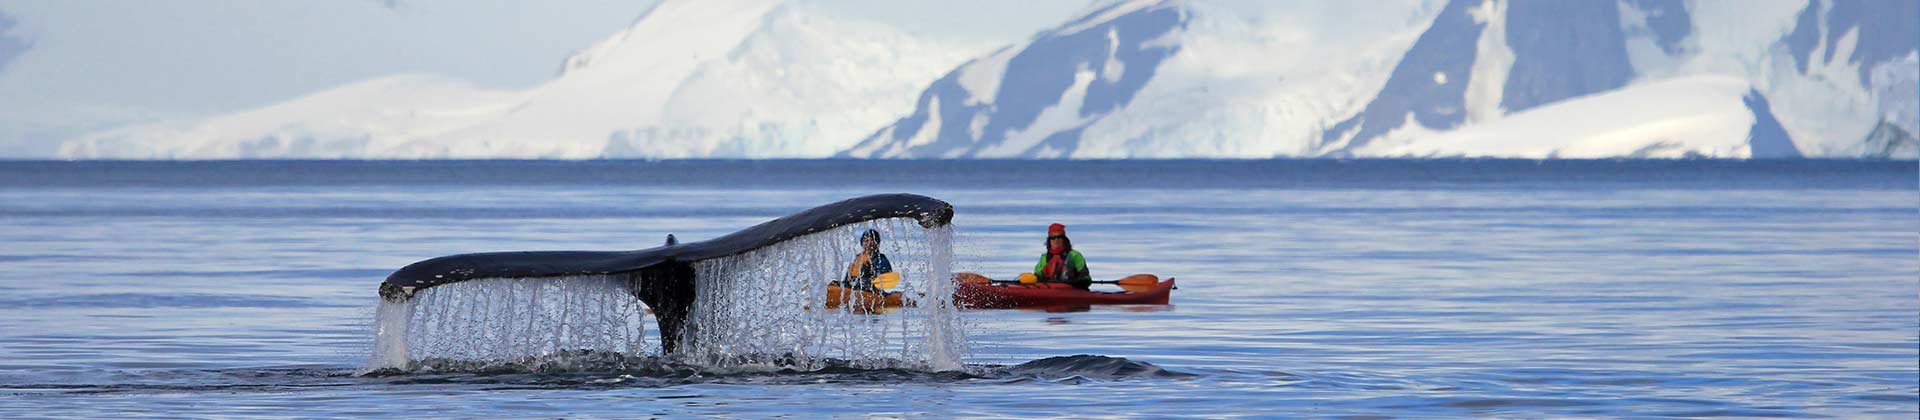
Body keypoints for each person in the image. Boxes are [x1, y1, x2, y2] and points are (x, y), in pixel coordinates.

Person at [1034, 223, 1092, 290]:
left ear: (1064, 239)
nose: (1056, 240)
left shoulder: (1075, 255)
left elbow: (1086, 277)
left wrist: (1079, 281)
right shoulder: (1044, 257)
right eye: (1053, 238)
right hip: (1049, 290)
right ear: (1049, 241)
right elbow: (1037, 276)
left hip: (1071, 290)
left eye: (1059, 237)